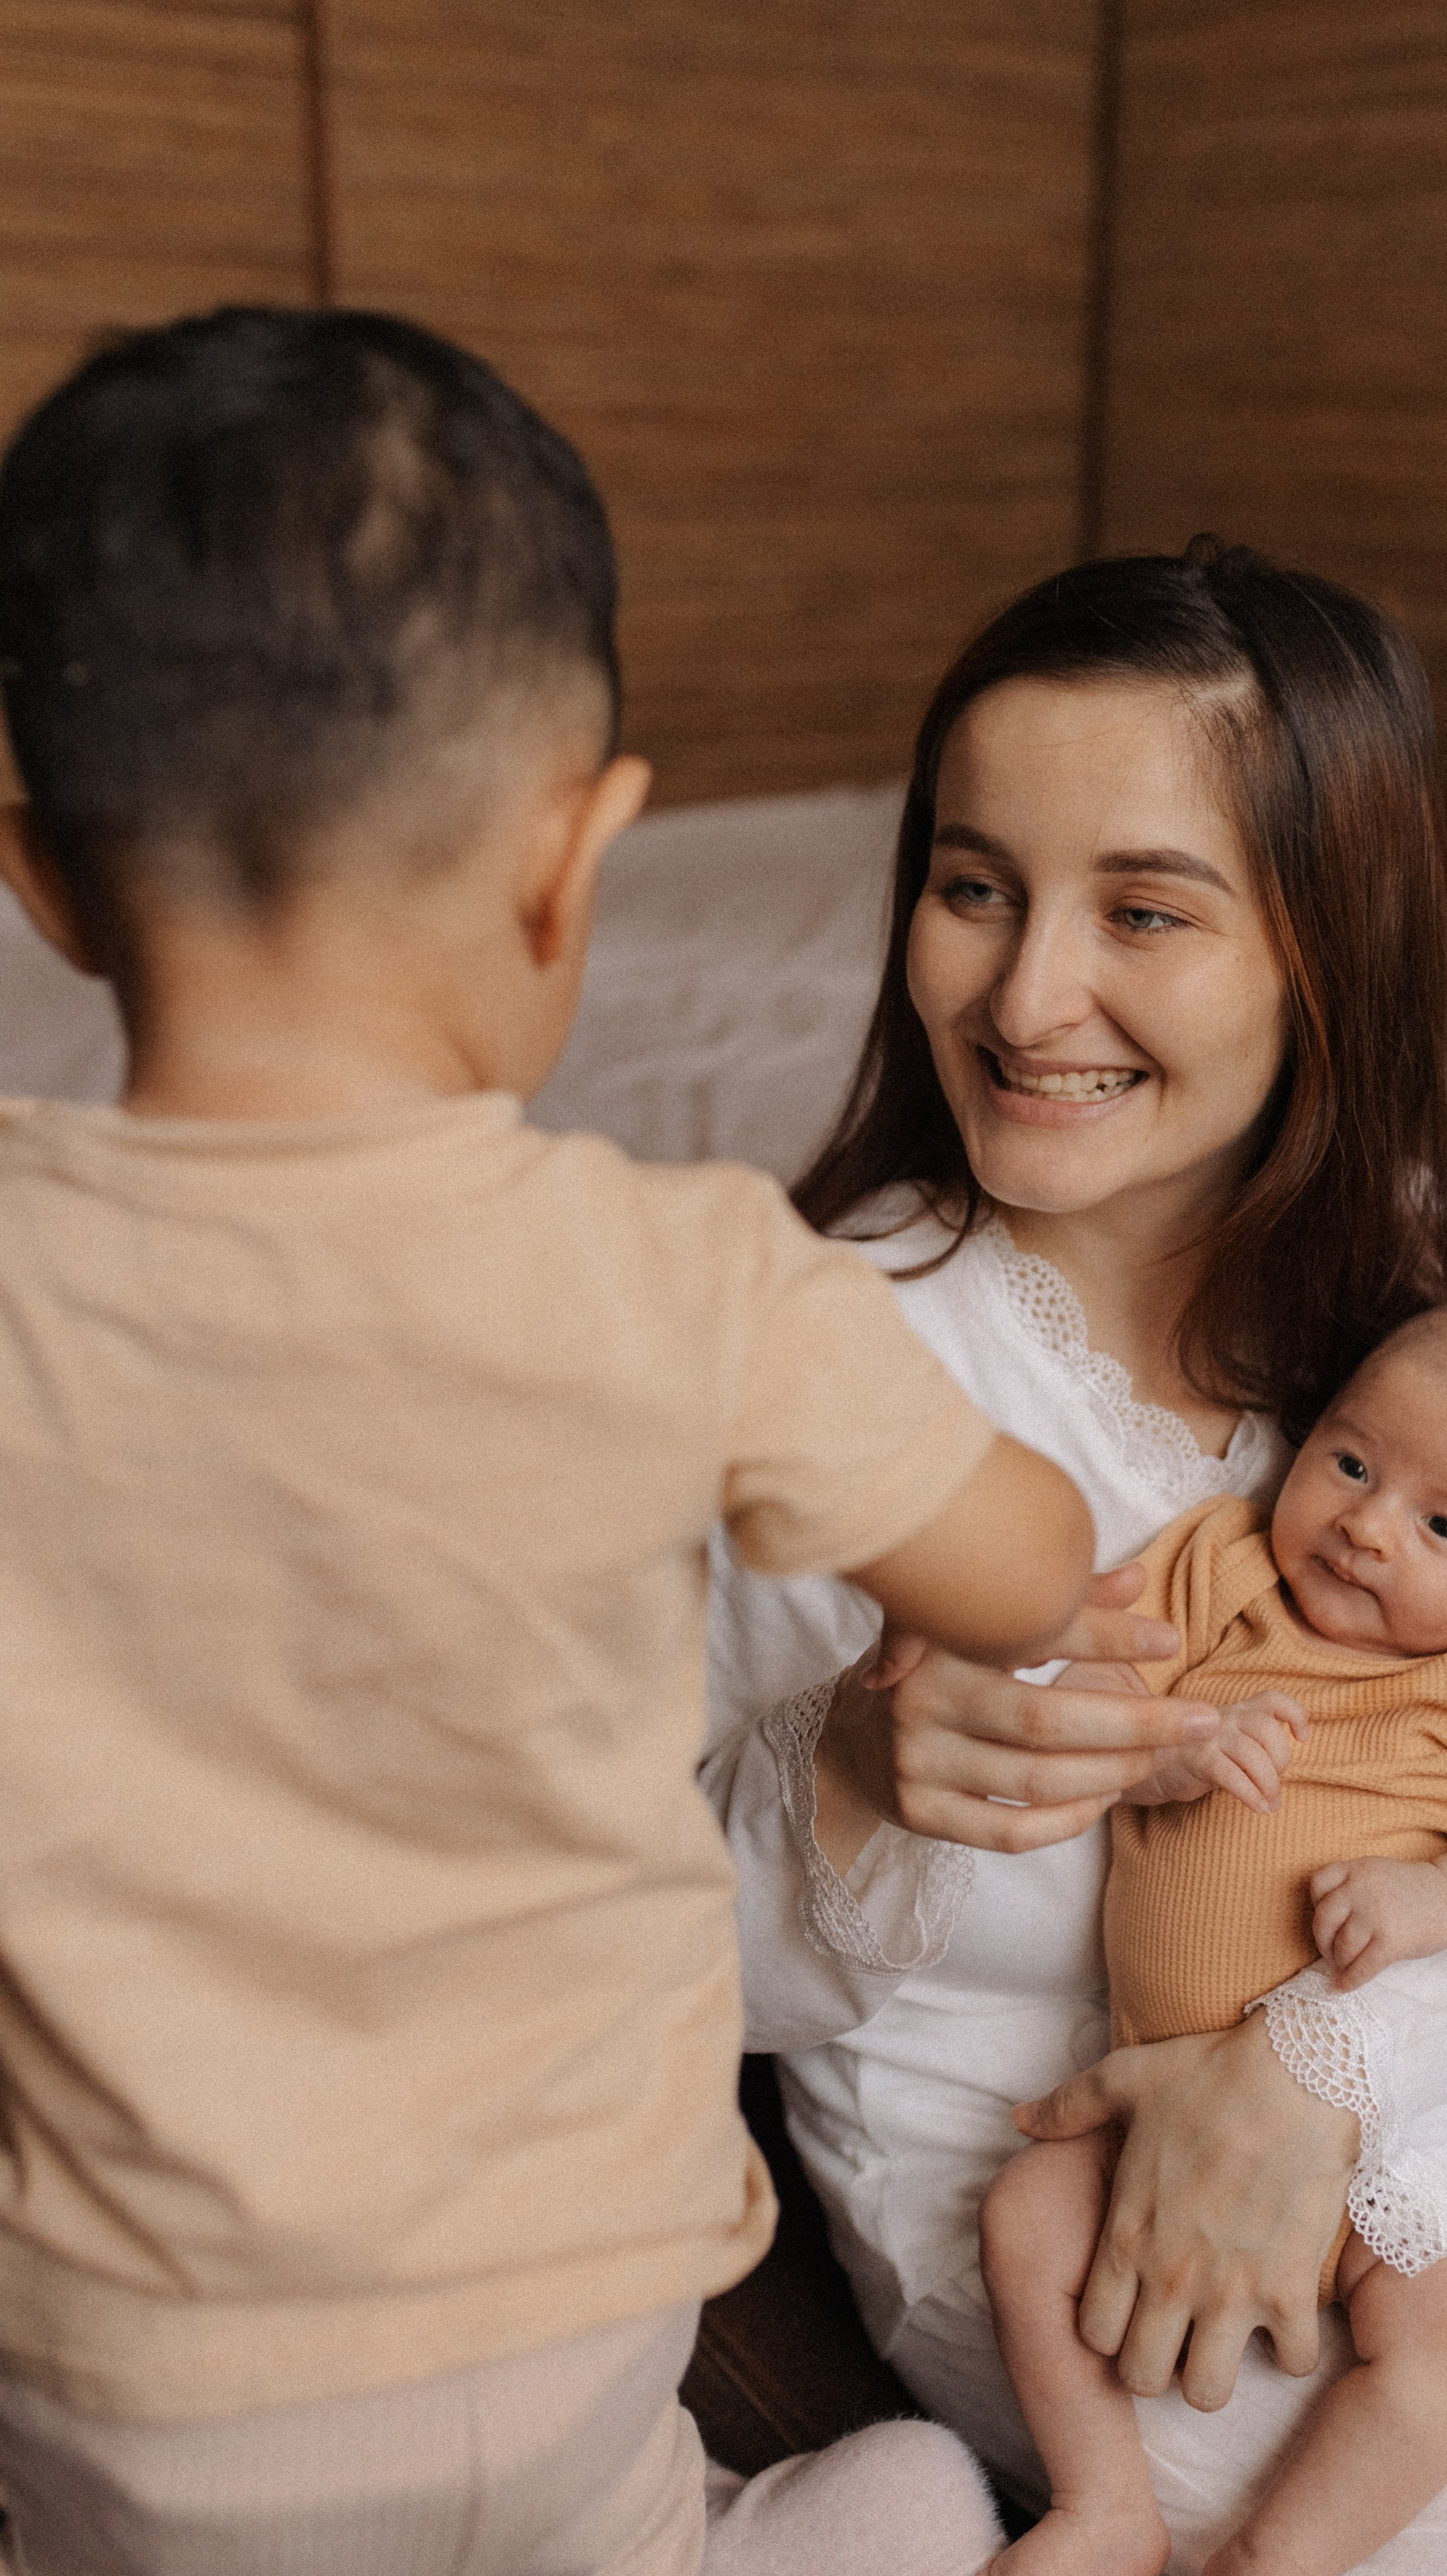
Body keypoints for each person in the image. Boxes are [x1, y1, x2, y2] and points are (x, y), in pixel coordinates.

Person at [0, 307, 1104, 2575]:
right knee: (879, 2506)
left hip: (142, 2379)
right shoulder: (682, 1275)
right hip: (581, 2316)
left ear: (34, 874)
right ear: (570, 861)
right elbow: (1027, 1573)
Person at [702, 545, 1447, 2571]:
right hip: (1068, 2216)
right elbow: (622, 1960)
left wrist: (1318, 2074)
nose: (1021, 995)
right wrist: (849, 1771)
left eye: (1142, 910)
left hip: (1434, 2101)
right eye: (973, 884)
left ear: (1321, 952)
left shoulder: (1444, 1308)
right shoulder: (825, 1353)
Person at [981, 1302, 1447, 2576]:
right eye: (1352, 1463)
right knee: (1023, 2219)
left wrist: (1434, 1905)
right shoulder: (1225, 1564)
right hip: (1162, 2103)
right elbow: (1093, 1697)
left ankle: (1279, 2557)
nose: (1367, 1523)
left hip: (1393, 2112)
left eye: (1443, 1526)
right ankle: (1102, 2505)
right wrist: (1167, 1749)